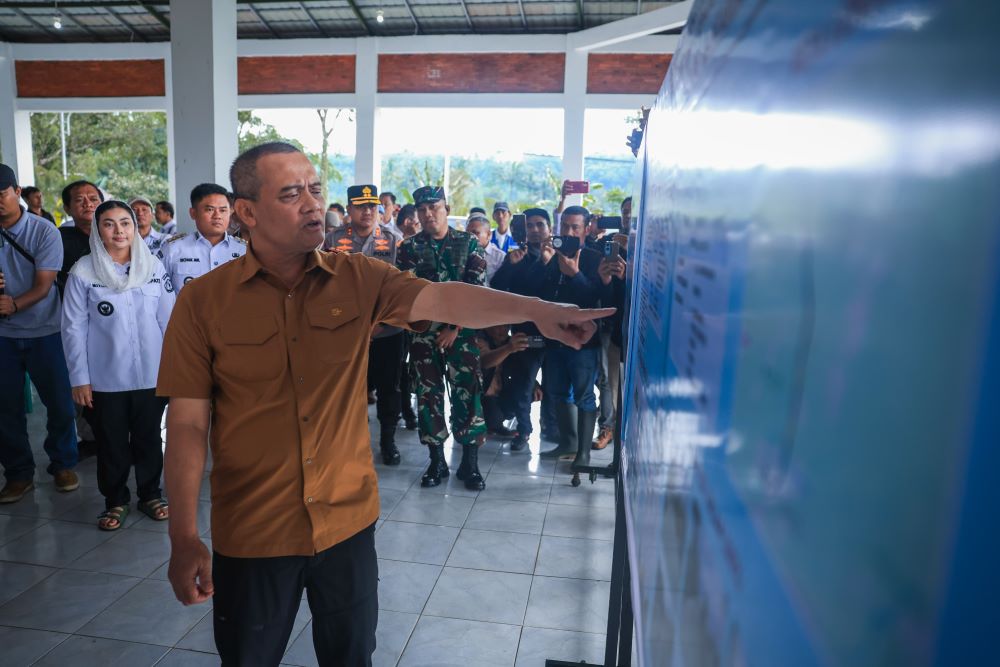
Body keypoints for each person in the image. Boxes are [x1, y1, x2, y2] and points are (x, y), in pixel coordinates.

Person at [157, 142, 611, 666]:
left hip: (346, 524)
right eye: (290, 194)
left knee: (352, 657)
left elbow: (446, 297)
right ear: (248, 212)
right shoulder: (203, 302)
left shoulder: (357, 278)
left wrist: (538, 311)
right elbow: (187, 426)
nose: (312, 203)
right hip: (254, 531)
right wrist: (184, 535)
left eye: (314, 189)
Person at [62, 200, 175, 529]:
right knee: (111, 442)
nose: (119, 231)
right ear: (98, 230)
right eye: (109, 224)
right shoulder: (84, 271)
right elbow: (72, 328)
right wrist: (79, 379)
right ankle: (115, 501)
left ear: (134, 226)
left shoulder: (152, 266)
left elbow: (170, 322)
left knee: (149, 438)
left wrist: (176, 371)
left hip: (152, 374)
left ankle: (151, 494)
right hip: (105, 377)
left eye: (125, 222)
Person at [397, 185, 490, 491]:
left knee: (468, 393)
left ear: (446, 209)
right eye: (422, 209)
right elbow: (407, 292)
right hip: (423, 336)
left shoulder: (468, 243)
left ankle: (470, 464)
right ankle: (436, 461)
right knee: (428, 396)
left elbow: (476, 291)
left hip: (461, 335)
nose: (428, 214)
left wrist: (454, 327)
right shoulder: (409, 248)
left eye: (434, 207)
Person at [0, 163, 79, 503]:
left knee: (60, 403)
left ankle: (63, 464)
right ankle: (18, 474)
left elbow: (44, 286)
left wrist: (13, 305)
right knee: (5, 408)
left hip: (46, 331)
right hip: (2, 338)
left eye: (2, 193)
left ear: (17, 192)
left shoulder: (44, 231)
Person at [325, 184, 407, 465]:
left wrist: (380, 322)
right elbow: (325, 286)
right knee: (350, 389)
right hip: (347, 331)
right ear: (349, 209)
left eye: (372, 206)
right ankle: (353, 442)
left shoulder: (394, 241)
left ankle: (388, 441)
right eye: (361, 206)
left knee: (389, 388)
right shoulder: (333, 240)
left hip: (387, 330)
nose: (368, 211)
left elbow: (401, 288)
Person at [490, 208, 553, 451]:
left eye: (540, 224)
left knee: (556, 385)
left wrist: (548, 263)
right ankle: (524, 431)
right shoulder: (516, 257)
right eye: (530, 225)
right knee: (524, 384)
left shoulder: (560, 256)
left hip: (556, 332)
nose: (535, 230)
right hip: (526, 332)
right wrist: (510, 266)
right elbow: (497, 288)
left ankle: (553, 428)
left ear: (549, 228)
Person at [158, 183, 246, 293]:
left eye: (223, 210)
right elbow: (159, 292)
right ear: (193, 213)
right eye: (210, 209)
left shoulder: (244, 250)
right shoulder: (172, 249)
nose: (217, 216)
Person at [593, 196, 630, 451]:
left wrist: (630, 269)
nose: (628, 216)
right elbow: (600, 289)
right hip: (611, 323)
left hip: (639, 327)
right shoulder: (609, 242)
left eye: (632, 212)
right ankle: (607, 427)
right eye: (625, 211)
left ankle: (626, 431)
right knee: (607, 378)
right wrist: (605, 279)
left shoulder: (651, 244)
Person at [474, 325, 528, 437]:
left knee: (528, 391)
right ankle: (490, 424)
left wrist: (534, 384)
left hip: (502, 393)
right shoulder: (480, 338)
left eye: (507, 326)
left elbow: (519, 367)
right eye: (499, 326)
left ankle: (495, 424)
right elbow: (485, 361)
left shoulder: (509, 341)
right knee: (493, 418)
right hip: (482, 397)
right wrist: (508, 348)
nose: (503, 330)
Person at [58, 180, 104, 295]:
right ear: (67, 209)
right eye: (79, 200)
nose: (88, 204)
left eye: (93, 199)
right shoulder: (57, 240)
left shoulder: (120, 236)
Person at [465, 212, 505, 283]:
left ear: (489, 235)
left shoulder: (500, 257)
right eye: (467, 233)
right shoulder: (462, 253)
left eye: (475, 233)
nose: (470, 237)